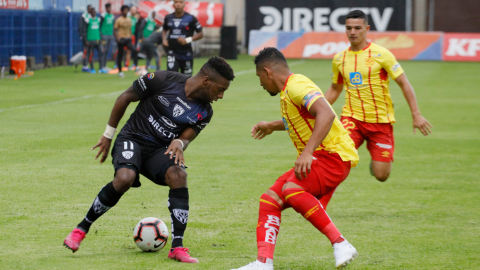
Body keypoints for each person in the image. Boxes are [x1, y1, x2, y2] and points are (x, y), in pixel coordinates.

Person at [63, 57, 235, 263]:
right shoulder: (162, 79)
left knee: (179, 174)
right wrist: (108, 135)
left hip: (158, 151)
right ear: (206, 80)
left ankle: (177, 247)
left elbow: (187, 136)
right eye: (220, 89)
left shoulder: (205, 111)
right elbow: (125, 97)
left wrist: (180, 143)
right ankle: (81, 229)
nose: (222, 95)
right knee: (125, 178)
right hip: (132, 139)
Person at [232, 47, 359, 270]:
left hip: (333, 156)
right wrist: (271, 125)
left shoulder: (297, 85)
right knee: (269, 200)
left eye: (259, 77)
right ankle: (263, 263)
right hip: (321, 156)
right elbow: (301, 117)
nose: (260, 83)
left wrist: (307, 152)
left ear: (267, 71)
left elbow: (326, 113)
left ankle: (341, 243)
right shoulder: (288, 92)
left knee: (292, 190)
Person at [324, 10, 433, 182]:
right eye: (349, 28)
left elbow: (404, 83)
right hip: (352, 118)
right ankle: (317, 202)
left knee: (382, 175)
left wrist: (416, 115)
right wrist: (315, 110)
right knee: (337, 160)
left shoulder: (382, 55)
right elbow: (335, 89)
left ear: (367, 28)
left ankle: (377, 163)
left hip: (380, 122)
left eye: (357, 28)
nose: (352, 32)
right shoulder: (340, 59)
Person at [163, 0, 203, 76]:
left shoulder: (191, 18)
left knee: (186, 80)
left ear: (184, 4)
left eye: (180, 2)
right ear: (173, 4)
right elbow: (164, 29)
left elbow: (200, 34)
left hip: (186, 54)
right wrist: (164, 40)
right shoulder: (168, 17)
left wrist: (187, 40)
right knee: (171, 78)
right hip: (172, 53)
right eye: (176, 2)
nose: (178, 4)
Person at [114, 5, 138, 78]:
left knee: (135, 50)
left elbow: (130, 29)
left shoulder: (129, 19)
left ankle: (135, 67)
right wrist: (117, 38)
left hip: (128, 39)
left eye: (127, 10)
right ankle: (120, 72)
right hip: (121, 39)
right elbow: (115, 29)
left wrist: (130, 36)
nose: (126, 11)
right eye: (124, 10)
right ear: (122, 11)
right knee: (120, 55)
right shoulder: (119, 20)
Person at [84, 7, 106, 74]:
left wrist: (101, 38)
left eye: (95, 12)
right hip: (90, 40)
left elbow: (99, 30)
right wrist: (85, 40)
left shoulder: (98, 19)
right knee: (91, 55)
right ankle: (92, 68)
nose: (94, 13)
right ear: (90, 13)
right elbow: (85, 30)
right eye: (92, 12)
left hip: (98, 40)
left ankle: (101, 68)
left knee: (101, 53)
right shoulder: (87, 20)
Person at [100, 3, 116, 71]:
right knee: (103, 51)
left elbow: (113, 25)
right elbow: (100, 25)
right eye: (108, 8)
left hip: (110, 35)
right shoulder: (103, 15)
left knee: (107, 51)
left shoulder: (112, 16)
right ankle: (102, 66)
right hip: (104, 35)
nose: (109, 9)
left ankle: (105, 65)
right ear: (106, 8)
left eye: (110, 7)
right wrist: (101, 34)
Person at [79, 4, 92, 72]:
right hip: (86, 38)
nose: (91, 10)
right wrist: (83, 38)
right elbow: (81, 28)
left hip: (90, 38)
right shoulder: (84, 16)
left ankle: (87, 65)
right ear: (87, 9)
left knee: (89, 52)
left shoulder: (91, 16)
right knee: (85, 51)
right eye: (89, 8)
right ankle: (84, 66)